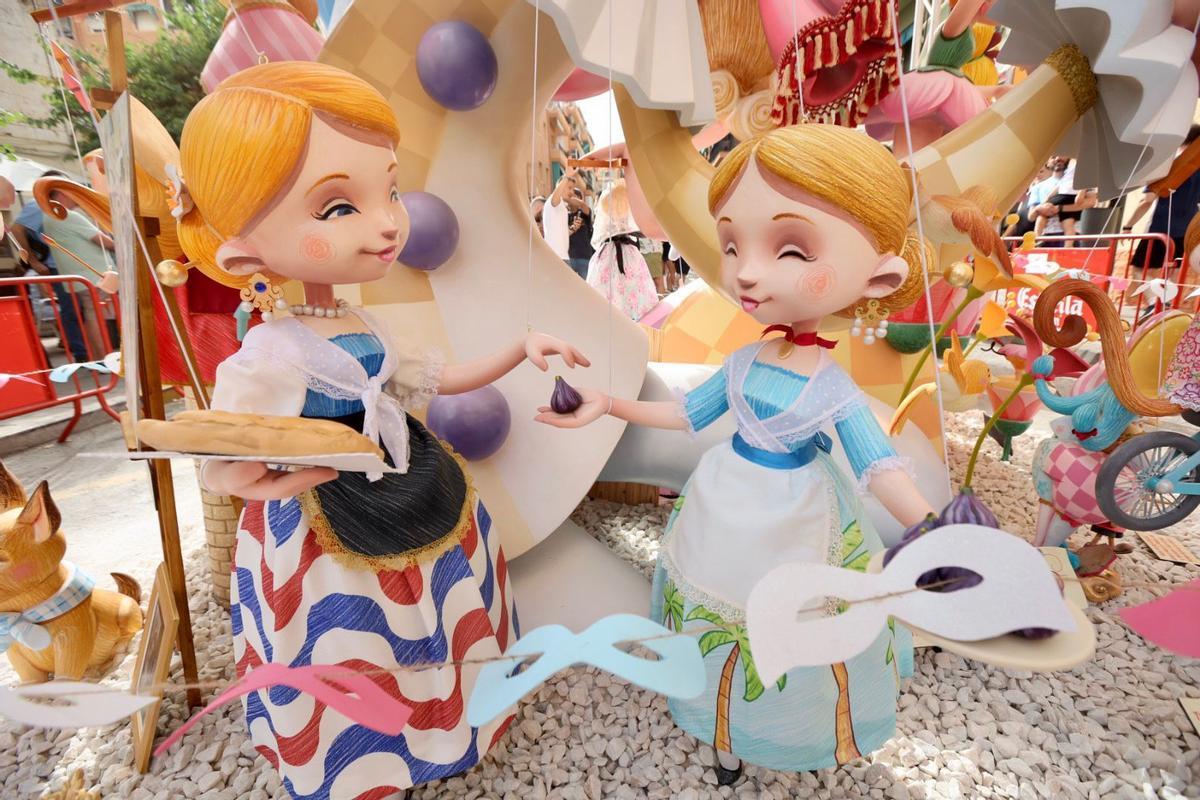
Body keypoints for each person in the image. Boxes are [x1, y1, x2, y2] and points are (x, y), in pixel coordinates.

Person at [184, 62, 587, 797]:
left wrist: (518, 349)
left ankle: (437, 727)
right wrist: (273, 476)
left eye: (391, 191)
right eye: (339, 207)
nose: (387, 221)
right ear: (244, 251)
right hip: (320, 522)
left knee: (434, 606)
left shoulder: (363, 322)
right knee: (345, 633)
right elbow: (226, 459)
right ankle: (354, 756)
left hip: (407, 476)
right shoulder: (267, 355)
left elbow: (430, 380)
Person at [537, 125, 938, 782]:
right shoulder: (745, 359)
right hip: (721, 499)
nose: (747, 270)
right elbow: (686, 415)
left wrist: (937, 528)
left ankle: (775, 725)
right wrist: (608, 404)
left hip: (793, 517)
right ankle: (720, 719)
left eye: (791, 249)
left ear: (880, 275)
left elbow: (879, 466)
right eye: (731, 245)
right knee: (714, 613)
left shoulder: (831, 386)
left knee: (781, 625)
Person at [41, 187, 119, 350]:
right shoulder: (67, 215)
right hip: (95, 276)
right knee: (97, 316)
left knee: (92, 315)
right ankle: (104, 355)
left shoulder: (48, 217)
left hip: (81, 277)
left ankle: (99, 355)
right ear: (62, 193)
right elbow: (105, 242)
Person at [1125, 124, 1200, 273]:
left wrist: (1128, 226)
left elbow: (1147, 200)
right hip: (1187, 232)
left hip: (1160, 229)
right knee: (1173, 275)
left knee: (1140, 272)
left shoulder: (1169, 166)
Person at [585, 179, 659, 320]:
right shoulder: (631, 251)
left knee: (610, 292)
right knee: (630, 291)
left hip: (610, 253)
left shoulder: (605, 253)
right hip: (623, 252)